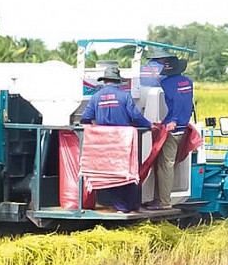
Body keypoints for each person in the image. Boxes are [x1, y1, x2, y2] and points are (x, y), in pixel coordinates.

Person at [81, 65, 153, 213]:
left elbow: (85, 118)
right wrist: (149, 125)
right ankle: (129, 206)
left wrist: (93, 130)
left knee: (108, 174)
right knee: (126, 172)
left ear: (104, 81)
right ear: (118, 81)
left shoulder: (96, 97)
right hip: (122, 142)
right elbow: (135, 116)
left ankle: (120, 206)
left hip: (103, 142)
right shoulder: (124, 96)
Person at [144, 52, 194, 210]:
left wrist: (173, 120)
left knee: (166, 164)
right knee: (166, 163)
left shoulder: (166, 84)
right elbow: (185, 101)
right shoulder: (188, 82)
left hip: (171, 129)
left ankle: (164, 201)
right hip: (183, 127)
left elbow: (176, 101)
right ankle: (158, 198)